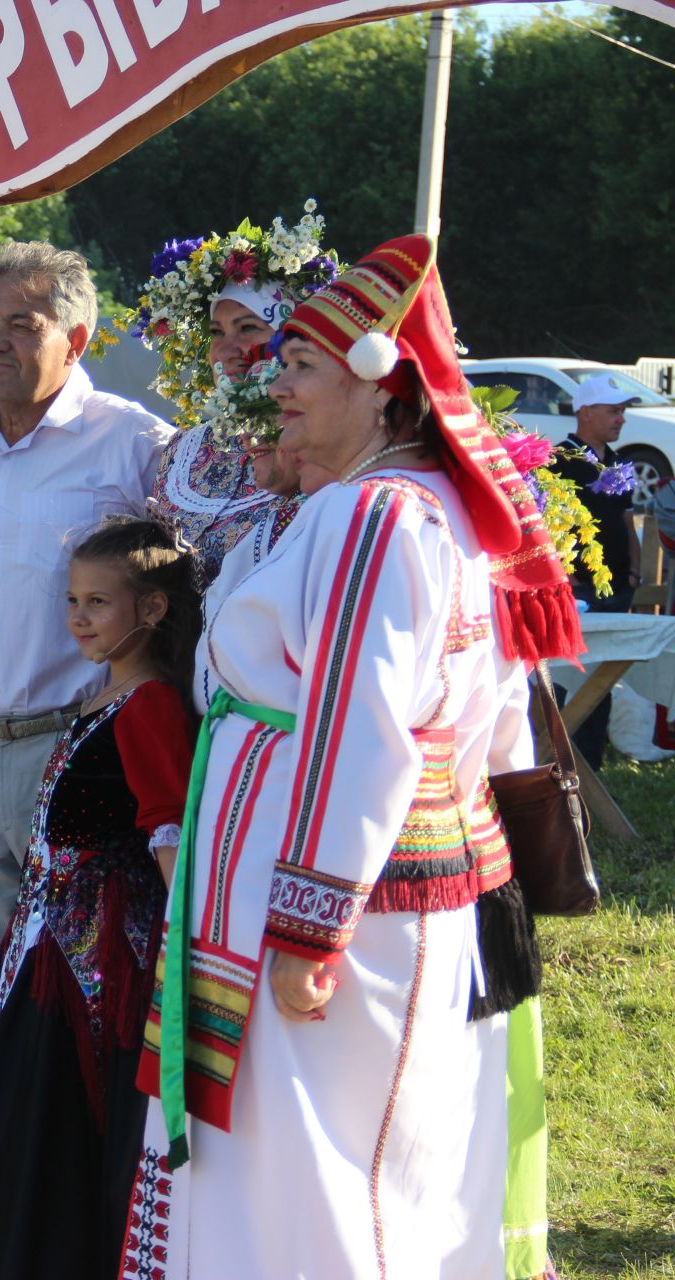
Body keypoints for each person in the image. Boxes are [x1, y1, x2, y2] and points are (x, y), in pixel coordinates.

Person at [123, 235, 584, 1278]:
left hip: (337, 899)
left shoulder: (378, 518)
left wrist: (309, 926)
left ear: (380, 389)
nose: (274, 387)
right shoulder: (409, 511)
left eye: (298, 367)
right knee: (328, 1158)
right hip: (361, 884)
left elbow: (360, 730)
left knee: (328, 1165)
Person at [0, 516, 198, 1279]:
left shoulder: (149, 705)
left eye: (98, 603)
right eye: (73, 601)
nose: (78, 619)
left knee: (62, 1110)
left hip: (93, 961)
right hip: (45, 941)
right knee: (17, 1103)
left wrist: (177, 945)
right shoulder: (103, 697)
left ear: (150, 610)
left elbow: (169, 829)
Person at [0, 240, 174, 973]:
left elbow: (183, 589)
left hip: (81, 746)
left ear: (74, 341)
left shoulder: (132, 441)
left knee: (89, 981)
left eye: (21, 322)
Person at [127, 207, 337, 583]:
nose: (226, 350)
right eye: (217, 332)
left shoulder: (322, 446)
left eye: (249, 328)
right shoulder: (184, 451)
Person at [556, 372, 643, 767]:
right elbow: (546, 527)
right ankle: (555, 760)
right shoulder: (559, 459)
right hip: (576, 591)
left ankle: (591, 763)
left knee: (600, 680)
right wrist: (567, 580)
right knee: (563, 677)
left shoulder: (621, 461)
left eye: (623, 411)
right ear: (585, 412)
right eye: (613, 411)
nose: (621, 419)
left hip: (616, 588)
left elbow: (627, 522)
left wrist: (633, 575)